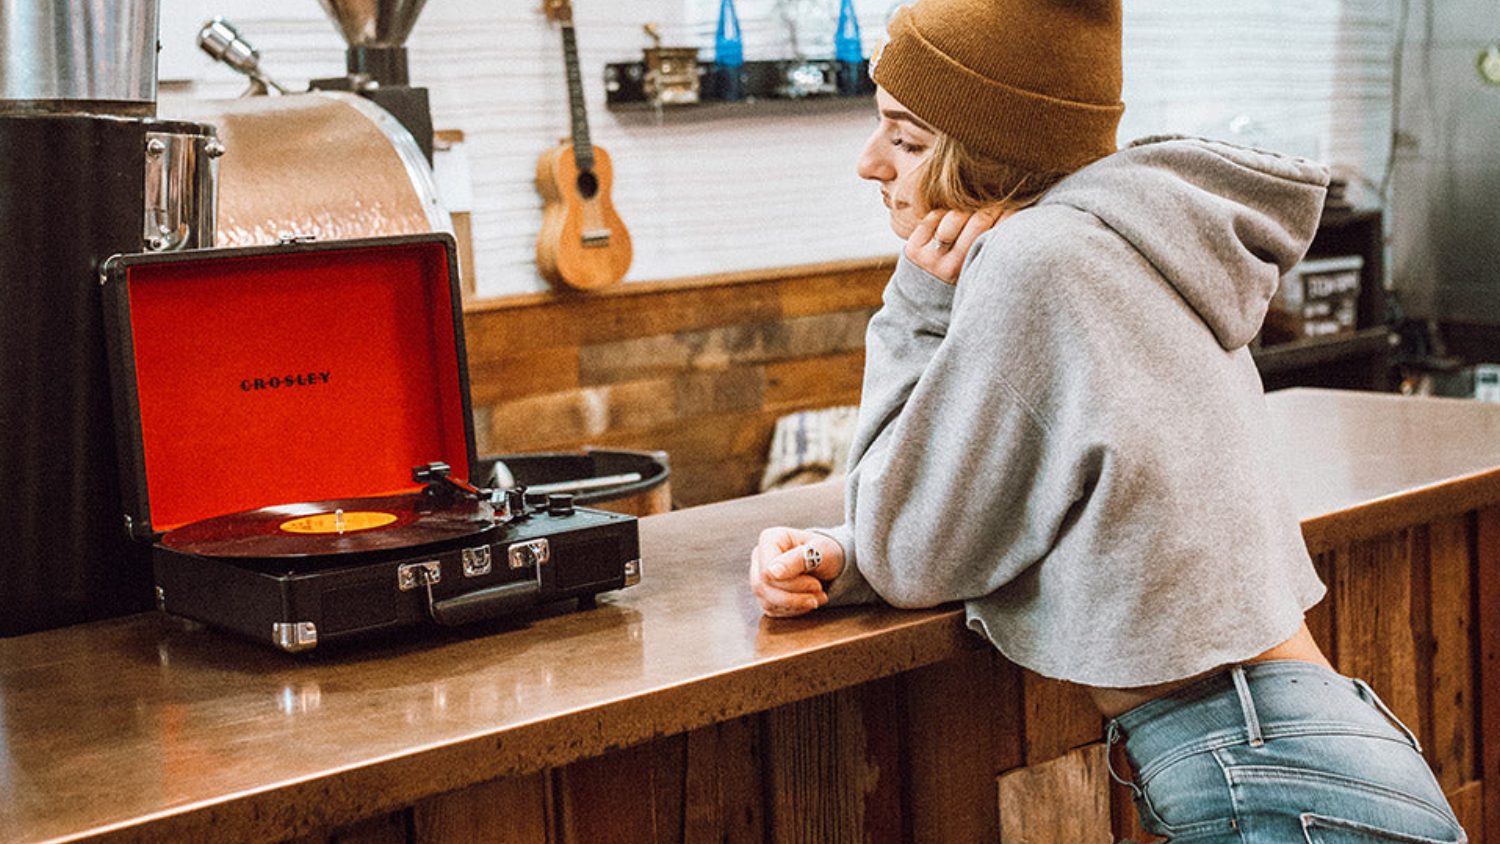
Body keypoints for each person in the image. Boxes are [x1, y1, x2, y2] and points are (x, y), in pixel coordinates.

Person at [746, 0, 1467, 841]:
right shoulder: (1133, 238)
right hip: (1308, 748)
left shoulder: (1037, 262)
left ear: (989, 153)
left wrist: (916, 304)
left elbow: (910, 551)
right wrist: (839, 554)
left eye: (906, 140)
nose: (870, 163)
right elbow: (997, 508)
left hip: (1265, 772)